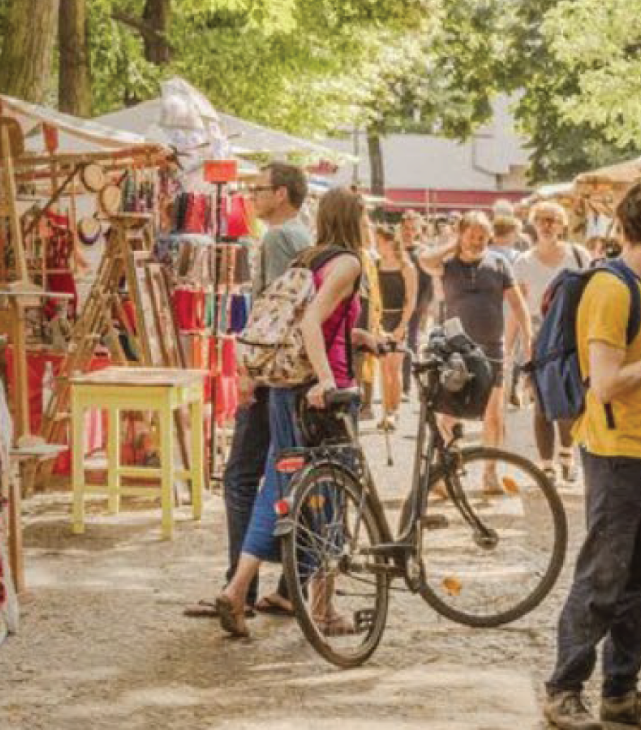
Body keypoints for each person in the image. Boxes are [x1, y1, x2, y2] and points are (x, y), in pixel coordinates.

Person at [541, 178, 641, 730]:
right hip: (616, 452)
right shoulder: (610, 289)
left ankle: (621, 692)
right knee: (603, 575)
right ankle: (564, 688)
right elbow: (604, 385)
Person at [213, 186, 368, 639]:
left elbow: (315, 323)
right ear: (355, 220)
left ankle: (237, 589)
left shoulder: (308, 259)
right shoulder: (348, 263)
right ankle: (323, 608)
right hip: (319, 396)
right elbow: (310, 323)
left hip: (284, 389)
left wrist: (360, 338)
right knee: (332, 493)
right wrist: (327, 381)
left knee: (277, 488)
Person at [186, 163, 311, 621]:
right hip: (293, 375)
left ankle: (238, 586)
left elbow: (274, 312)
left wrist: (250, 374)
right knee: (288, 475)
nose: (250, 196)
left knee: (240, 475)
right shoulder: (301, 234)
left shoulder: (279, 238)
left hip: (272, 375)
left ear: (281, 194)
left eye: (258, 189)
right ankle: (286, 585)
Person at [420, 212, 531, 492]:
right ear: (461, 233)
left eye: (483, 236)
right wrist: (453, 244)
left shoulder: (499, 263)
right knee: (449, 416)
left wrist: (528, 339)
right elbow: (424, 260)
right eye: (472, 235)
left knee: (494, 416)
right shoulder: (447, 265)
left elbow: (518, 305)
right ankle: (446, 474)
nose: (478, 241)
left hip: (492, 350)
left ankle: (490, 474)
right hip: (456, 352)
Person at [516, 201, 593, 481]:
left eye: (553, 220)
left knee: (570, 392)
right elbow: (518, 307)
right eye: (542, 220)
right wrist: (516, 345)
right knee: (541, 400)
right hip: (540, 334)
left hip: (572, 331)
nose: (547, 225)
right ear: (534, 224)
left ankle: (567, 454)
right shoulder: (523, 262)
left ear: (563, 225)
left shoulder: (578, 255)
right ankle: (546, 464)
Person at [372, 215, 418, 413]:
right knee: (383, 369)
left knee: (394, 367)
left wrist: (402, 325)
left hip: (399, 318)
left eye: (380, 242)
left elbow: (411, 299)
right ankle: (386, 412)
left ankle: (394, 412)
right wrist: (376, 324)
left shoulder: (407, 267)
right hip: (381, 319)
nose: (377, 246)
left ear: (390, 243)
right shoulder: (376, 265)